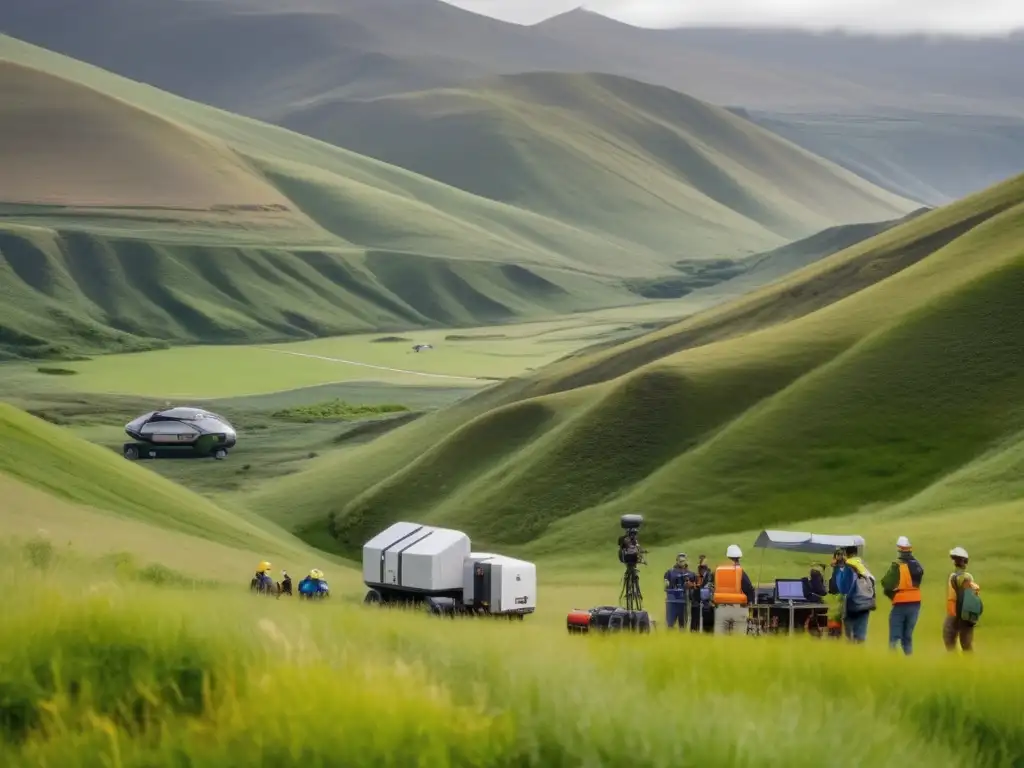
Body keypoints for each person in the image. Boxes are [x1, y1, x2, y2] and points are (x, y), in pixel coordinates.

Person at [881, 536, 924, 655]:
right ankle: (908, 660)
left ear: (899, 550)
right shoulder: (918, 566)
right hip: (916, 604)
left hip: (900, 604)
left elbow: (886, 583)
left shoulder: (897, 566)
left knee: (894, 636)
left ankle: (892, 661)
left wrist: (892, 595)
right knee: (907, 636)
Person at [944, 547, 981, 653]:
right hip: (967, 614)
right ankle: (968, 664)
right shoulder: (969, 577)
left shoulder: (955, 577)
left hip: (954, 613)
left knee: (949, 638)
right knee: (966, 642)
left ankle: (954, 662)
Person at [712, 544, 754, 635]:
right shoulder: (740, 572)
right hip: (738, 609)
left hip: (721, 609)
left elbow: (711, 587)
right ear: (738, 558)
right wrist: (750, 602)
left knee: (720, 642)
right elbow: (749, 589)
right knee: (738, 643)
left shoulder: (718, 571)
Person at [834, 545, 873, 643]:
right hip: (866, 603)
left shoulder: (848, 565)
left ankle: (851, 655)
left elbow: (843, 588)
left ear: (846, 554)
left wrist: (837, 569)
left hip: (851, 603)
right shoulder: (864, 565)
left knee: (850, 637)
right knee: (861, 637)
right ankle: (860, 656)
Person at [664, 553, 695, 630]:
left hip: (684, 600)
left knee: (683, 624)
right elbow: (666, 586)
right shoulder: (670, 572)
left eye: (683, 561)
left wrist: (690, 585)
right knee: (670, 623)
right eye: (680, 561)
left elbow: (694, 586)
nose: (682, 562)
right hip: (672, 600)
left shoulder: (690, 574)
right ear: (677, 561)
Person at [690, 554, 714, 633]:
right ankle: (694, 631)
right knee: (695, 618)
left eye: (702, 567)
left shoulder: (710, 576)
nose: (700, 569)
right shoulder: (696, 576)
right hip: (697, 601)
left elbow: (710, 587)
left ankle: (706, 632)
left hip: (706, 602)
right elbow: (694, 587)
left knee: (707, 620)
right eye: (700, 567)